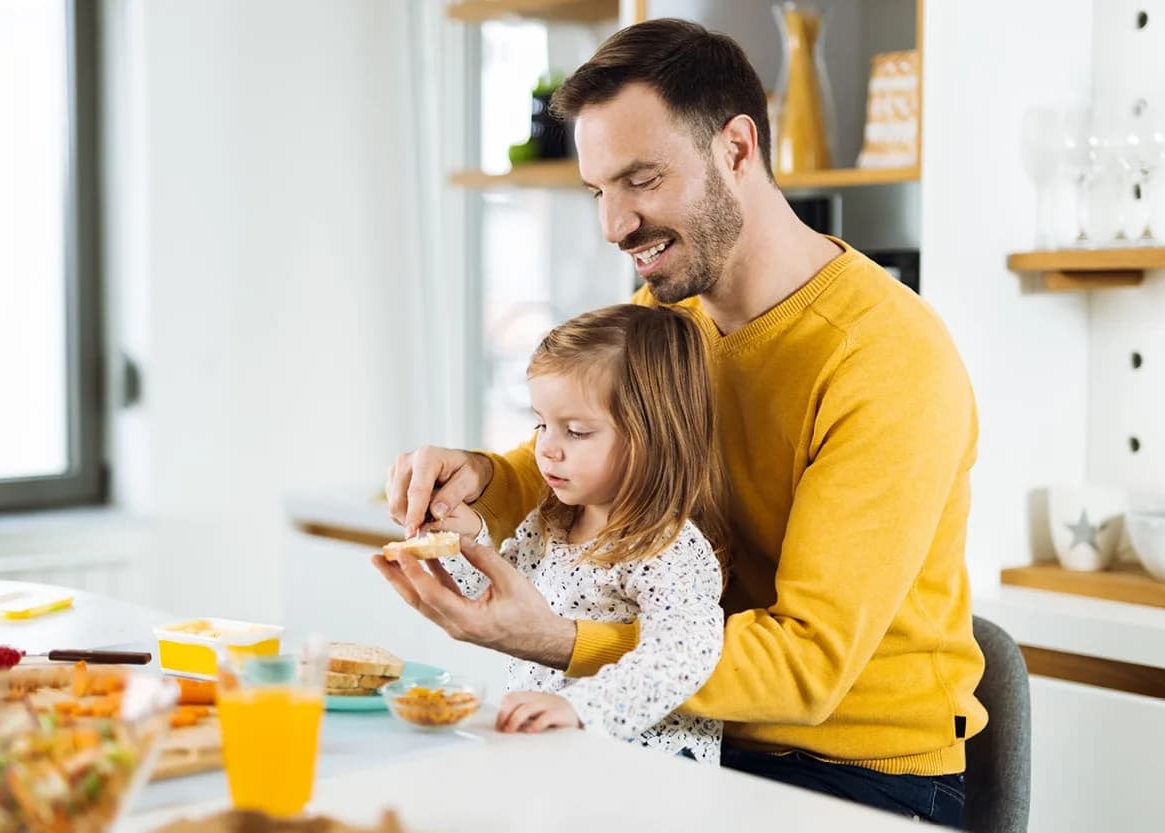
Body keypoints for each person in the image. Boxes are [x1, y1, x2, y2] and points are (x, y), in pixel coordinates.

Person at [378, 18, 985, 826]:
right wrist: (485, 480)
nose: (614, 224)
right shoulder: (668, 315)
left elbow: (807, 666)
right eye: (600, 190)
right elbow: (594, 461)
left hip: (851, 772)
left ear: (736, 149)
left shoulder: (886, 358)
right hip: (681, 728)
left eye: (641, 180)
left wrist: (564, 641)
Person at [377, 304, 728, 762]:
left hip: (644, 773)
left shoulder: (668, 547)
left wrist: (579, 708)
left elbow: (684, 656)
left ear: (654, 437)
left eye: (576, 431)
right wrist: (464, 542)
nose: (546, 448)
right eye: (541, 424)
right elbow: (497, 595)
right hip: (561, 757)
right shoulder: (551, 523)